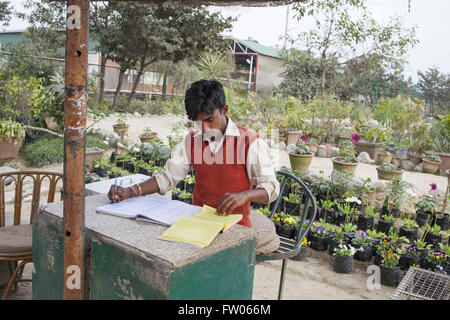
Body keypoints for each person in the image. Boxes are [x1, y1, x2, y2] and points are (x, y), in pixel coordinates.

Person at [108, 79, 280, 253]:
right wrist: (131, 191)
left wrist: (245, 196)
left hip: (235, 230)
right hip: (198, 227)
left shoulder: (249, 141)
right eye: (198, 123)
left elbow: (272, 187)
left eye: (209, 120)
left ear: (225, 110)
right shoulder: (193, 140)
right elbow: (167, 178)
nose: (204, 129)